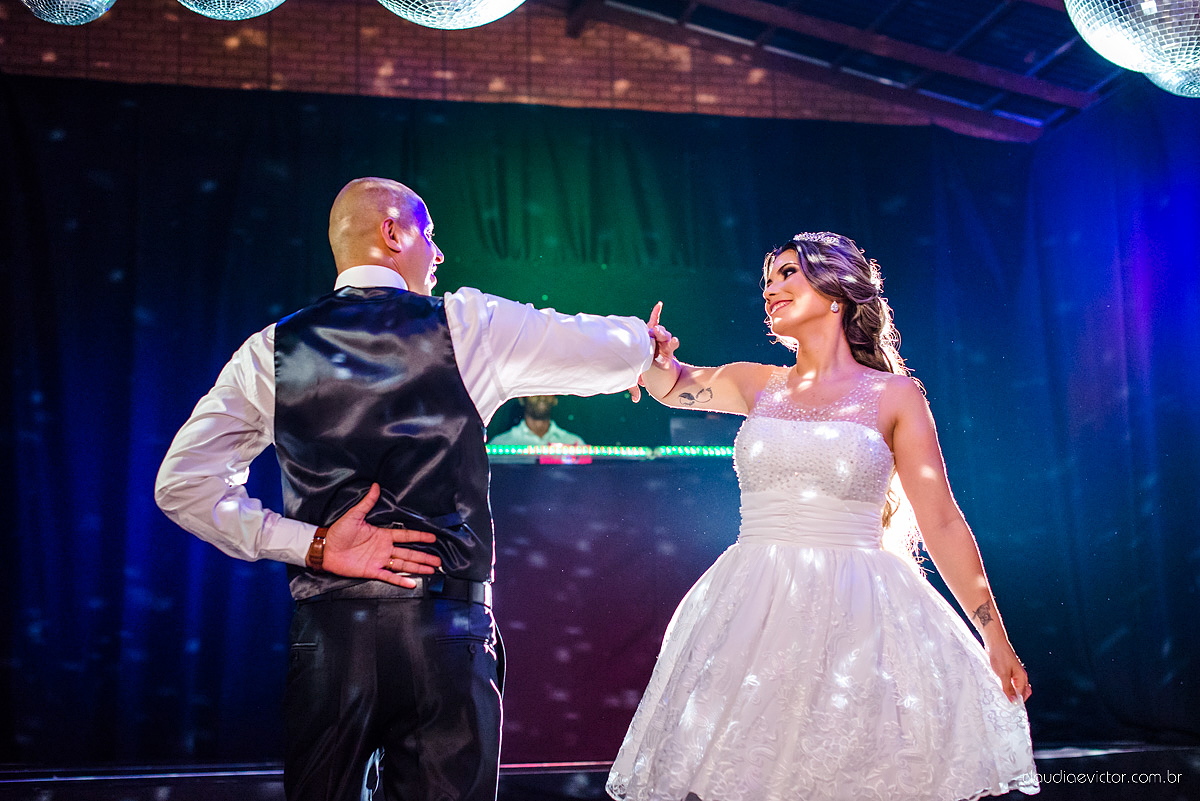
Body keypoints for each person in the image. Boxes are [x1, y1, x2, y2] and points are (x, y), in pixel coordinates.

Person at [155, 177, 655, 801]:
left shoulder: (271, 350)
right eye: (431, 234)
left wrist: (313, 546)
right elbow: (602, 346)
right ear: (392, 232)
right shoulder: (467, 324)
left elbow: (184, 485)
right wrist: (646, 347)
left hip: (329, 638)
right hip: (444, 632)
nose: (439, 255)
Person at [608, 232, 1038, 801]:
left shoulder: (896, 396)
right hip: (753, 605)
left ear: (836, 293)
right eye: (768, 281)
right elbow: (672, 387)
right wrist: (650, 354)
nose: (771, 290)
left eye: (788, 274)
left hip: (860, 611)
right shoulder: (754, 382)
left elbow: (941, 522)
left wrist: (994, 635)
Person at [488, 395, 586, 447]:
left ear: (555, 399)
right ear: (521, 399)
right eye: (534, 392)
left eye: (547, 392)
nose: (542, 397)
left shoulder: (574, 442)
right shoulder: (500, 443)